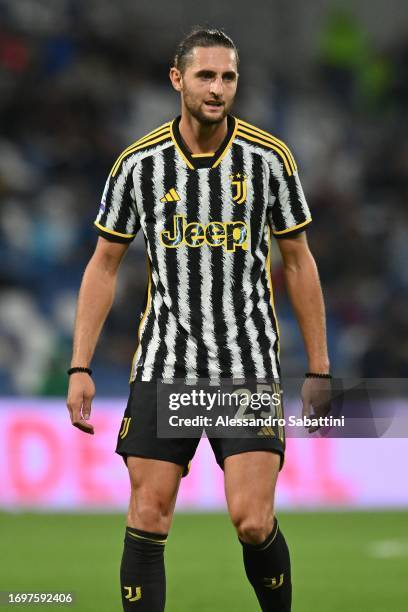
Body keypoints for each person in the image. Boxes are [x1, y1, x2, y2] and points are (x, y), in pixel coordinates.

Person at [66, 27, 330, 612]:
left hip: (247, 368)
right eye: (205, 75)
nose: (217, 88)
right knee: (147, 514)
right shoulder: (139, 164)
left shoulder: (269, 159)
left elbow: (299, 262)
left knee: (253, 522)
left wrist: (320, 367)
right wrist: (79, 364)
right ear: (177, 79)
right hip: (166, 364)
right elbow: (103, 266)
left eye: (228, 76)